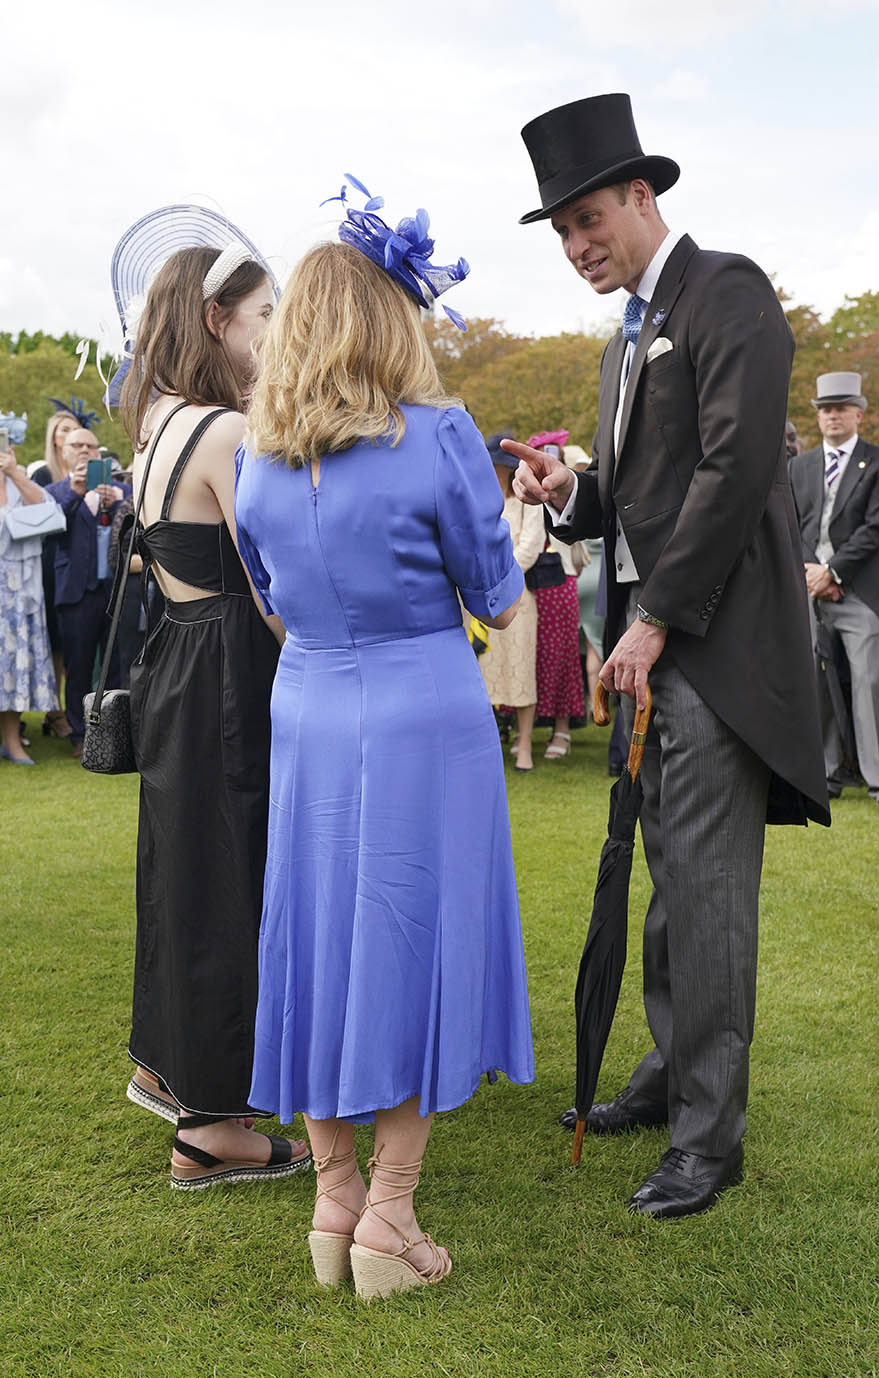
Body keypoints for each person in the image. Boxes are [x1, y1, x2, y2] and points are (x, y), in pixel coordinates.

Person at [507, 92, 829, 1218]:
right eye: (560, 233)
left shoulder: (725, 292)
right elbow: (638, 489)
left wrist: (652, 621)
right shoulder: (626, 339)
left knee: (704, 893)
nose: (577, 246)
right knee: (664, 885)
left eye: (588, 219)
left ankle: (710, 1135)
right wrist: (574, 492)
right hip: (652, 654)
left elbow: (736, 471)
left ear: (643, 196)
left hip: (712, 653)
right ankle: (668, 1069)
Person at [234, 190, 534, 1297]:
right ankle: (390, 1220)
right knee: (407, 940)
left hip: (308, 705)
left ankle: (334, 1197)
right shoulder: (439, 435)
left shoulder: (260, 463)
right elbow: (500, 599)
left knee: (316, 940)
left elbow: (271, 600)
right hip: (420, 711)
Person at [117, 224, 309, 1187]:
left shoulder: (156, 425)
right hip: (231, 668)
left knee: (188, 876)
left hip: (181, 662)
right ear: (215, 321)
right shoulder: (226, 431)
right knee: (233, 881)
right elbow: (271, 583)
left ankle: (177, 1074)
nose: (277, 331)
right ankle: (215, 1125)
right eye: (266, 314)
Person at [789, 373, 879, 815]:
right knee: (813, 685)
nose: (833, 415)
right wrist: (811, 574)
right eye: (825, 409)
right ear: (817, 417)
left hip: (860, 592)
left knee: (872, 683)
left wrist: (833, 572)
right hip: (807, 590)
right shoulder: (798, 466)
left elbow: (876, 528)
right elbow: (790, 525)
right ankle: (825, 772)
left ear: (859, 413)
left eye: (841, 407)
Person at [44, 428, 128, 757]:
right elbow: (49, 532)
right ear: (63, 452)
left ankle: (115, 733)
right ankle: (79, 735)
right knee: (77, 668)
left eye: (91, 446)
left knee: (118, 665)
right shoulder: (53, 492)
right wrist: (76, 493)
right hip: (75, 591)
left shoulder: (121, 490)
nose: (85, 451)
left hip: (115, 590)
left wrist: (119, 503)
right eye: (76, 446)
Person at [477, 431, 544, 772]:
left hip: (517, 597)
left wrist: (503, 576)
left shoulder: (528, 501)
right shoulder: (480, 500)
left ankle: (526, 745)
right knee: (481, 673)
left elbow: (531, 545)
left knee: (520, 669)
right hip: (479, 600)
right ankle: (486, 746)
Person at [528, 430, 586, 759]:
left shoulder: (569, 496)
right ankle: (527, 723)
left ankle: (561, 729)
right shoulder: (523, 496)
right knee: (533, 656)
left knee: (562, 656)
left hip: (561, 583)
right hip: (531, 585)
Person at [0, 444, 58, 763]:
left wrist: (13, 473)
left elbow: (50, 510)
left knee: (12, 664)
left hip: (17, 594)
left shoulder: (20, 481)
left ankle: (12, 741)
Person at [31, 406, 83, 737]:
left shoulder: (92, 472)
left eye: (73, 429)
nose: (68, 435)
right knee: (51, 638)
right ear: (53, 438)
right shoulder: (42, 477)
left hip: (81, 563)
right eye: (62, 430)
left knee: (69, 644)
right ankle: (54, 710)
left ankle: (67, 708)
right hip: (49, 562)